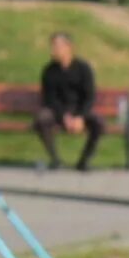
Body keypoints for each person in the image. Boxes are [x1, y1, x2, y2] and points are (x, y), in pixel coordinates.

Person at [35, 30, 101, 172]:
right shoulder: (49, 71)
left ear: (68, 47)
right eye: (52, 46)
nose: (53, 50)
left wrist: (80, 117)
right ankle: (56, 160)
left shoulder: (83, 69)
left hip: (80, 110)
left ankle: (83, 162)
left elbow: (89, 96)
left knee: (99, 123)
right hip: (58, 112)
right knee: (41, 119)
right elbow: (49, 98)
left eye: (57, 47)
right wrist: (64, 116)